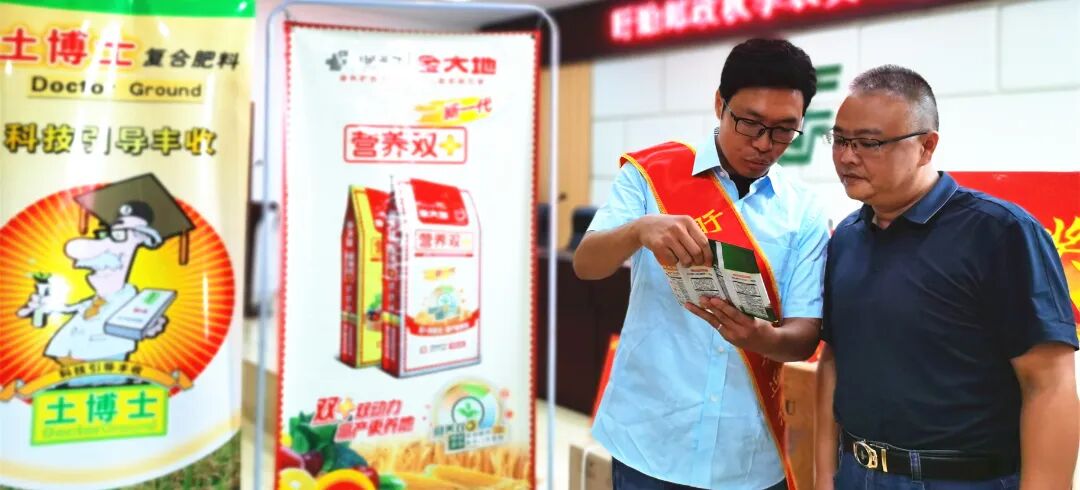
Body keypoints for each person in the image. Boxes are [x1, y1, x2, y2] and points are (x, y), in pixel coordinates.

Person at [574, 38, 828, 490]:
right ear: (719, 104)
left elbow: (804, 335)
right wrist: (638, 231)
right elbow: (586, 264)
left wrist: (762, 338)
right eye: (749, 123)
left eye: (784, 131)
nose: (764, 144)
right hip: (650, 439)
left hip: (746, 454)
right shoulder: (651, 174)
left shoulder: (803, 210)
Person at [814, 65, 1079, 489]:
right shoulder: (846, 237)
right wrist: (823, 476)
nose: (847, 157)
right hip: (857, 473)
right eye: (841, 140)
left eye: (868, 143)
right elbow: (834, 358)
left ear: (926, 146)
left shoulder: (1000, 232)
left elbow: (1048, 383)